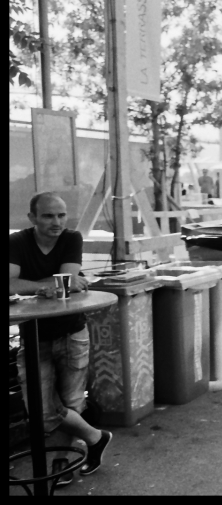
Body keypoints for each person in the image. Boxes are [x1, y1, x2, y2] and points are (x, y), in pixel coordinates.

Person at [9, 193, 114, 487]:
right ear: (32, 218)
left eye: (61, 215)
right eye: (48, 216)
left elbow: (64, 280)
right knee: (41, 411)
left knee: (71, 402)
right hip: (34, 334)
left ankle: (61, 462)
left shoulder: (71, 238)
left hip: (71, 331)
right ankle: (96, 437)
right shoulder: (17, 241)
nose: (56, 222)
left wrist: (32, 286)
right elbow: (12, 284)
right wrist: (48, 286)